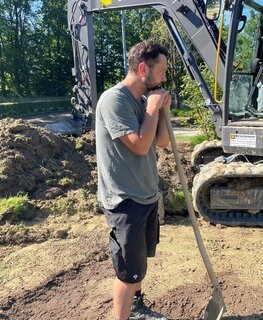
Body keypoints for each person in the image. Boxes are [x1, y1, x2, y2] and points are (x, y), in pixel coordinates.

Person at [95, 40, 171, 320]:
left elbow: (160, 142)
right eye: (161, 71)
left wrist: (161, 110)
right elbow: (139, 145)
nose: (164, 77)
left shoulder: (143, 100)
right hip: (125, 200)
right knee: (127, 272)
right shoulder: (114, 100)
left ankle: (137, 309)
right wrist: (152, 108)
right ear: (143, 68)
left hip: (146, 194)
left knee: (139, 264)